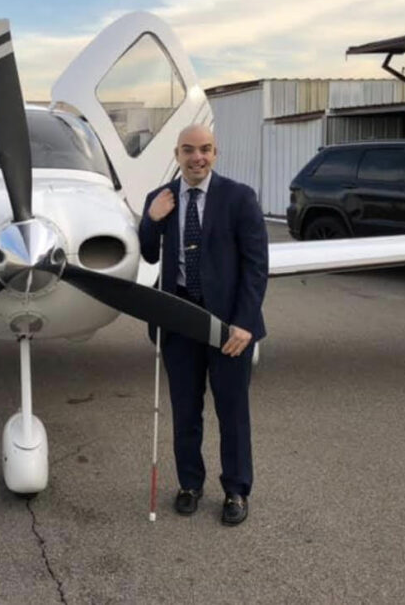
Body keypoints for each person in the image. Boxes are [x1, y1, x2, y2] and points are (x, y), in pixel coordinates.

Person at [138, 124, 268, 525]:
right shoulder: (160, 198)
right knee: (185, 410)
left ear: (215, 153)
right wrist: (151, 220)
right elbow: (148, 253)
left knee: (233, 412)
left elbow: (256, 267)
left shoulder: (239, 198)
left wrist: (244, 322)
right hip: (179, 320)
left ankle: (236, 490)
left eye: (206, 149)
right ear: (177, 154)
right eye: (189, 150)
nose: (198, 157)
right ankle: (189, 484)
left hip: (229, 326)